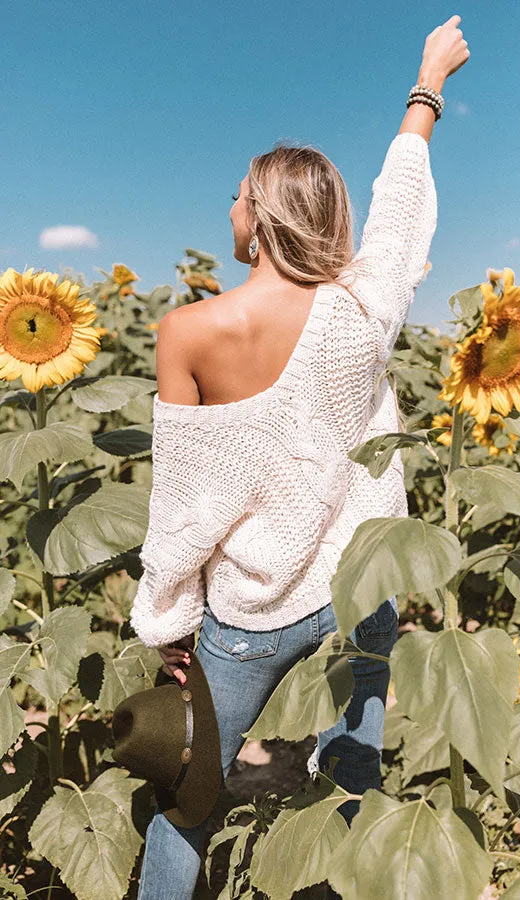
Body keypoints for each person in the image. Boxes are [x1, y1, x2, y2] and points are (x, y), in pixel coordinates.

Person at [131, 15, 470, 898]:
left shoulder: (188, 332)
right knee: (351, 792)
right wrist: (426, 85)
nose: (229, 206)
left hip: (250, 614)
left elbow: (181, 504)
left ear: (265, 212)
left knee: (191, 801)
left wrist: (166, 621)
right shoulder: (364, 310)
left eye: (240, 193)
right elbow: (399, 207)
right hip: (360, 593)